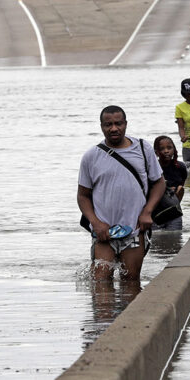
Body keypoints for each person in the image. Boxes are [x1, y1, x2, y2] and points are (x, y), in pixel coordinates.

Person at [77, 105, 165, 281]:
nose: (114, 128)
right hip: (104, 233)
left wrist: (147, 212)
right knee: (101, 284)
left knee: (131, 282)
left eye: (118, 123)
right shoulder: (91, 156)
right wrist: (96, 222)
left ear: (126, 124)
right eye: (108, 124)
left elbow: (159, 183)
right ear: (101, 126)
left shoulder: (142, 149)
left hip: (135, 230)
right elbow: (83, 196)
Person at [153, 135, 187, 231]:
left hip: (174, 210)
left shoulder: (180, 167)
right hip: (156, 212)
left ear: (174, 149)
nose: (166, 151)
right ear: (156, 152)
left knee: (175, 237)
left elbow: (181, 187)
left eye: (169, 148)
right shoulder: (153, 169)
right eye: (162, 149)